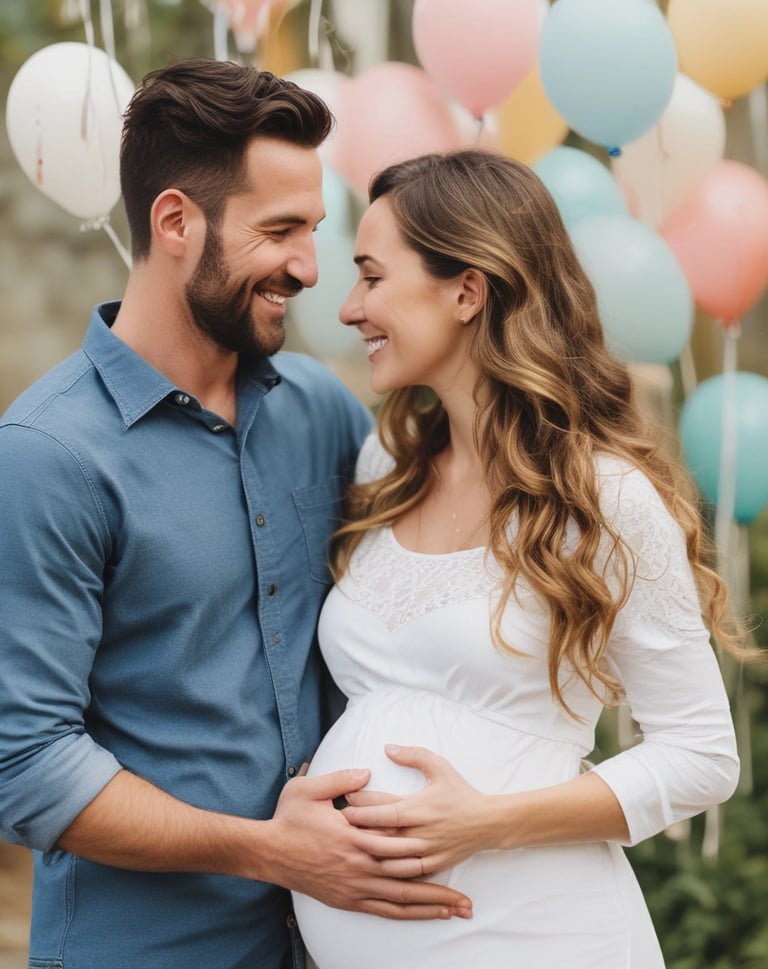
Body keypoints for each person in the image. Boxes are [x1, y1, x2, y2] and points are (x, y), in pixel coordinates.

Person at [0, 60, 473, 969]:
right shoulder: (45, 456)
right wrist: (270, 850)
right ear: (175, 222)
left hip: (338, 944)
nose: (308, 265)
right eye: (281, 229)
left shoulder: (321, 411)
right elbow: (26, 768)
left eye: (315, 229)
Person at [291, 148, 748, 969]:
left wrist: (487, 820)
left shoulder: (605, 500)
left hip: (544, 937)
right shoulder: (382, 472)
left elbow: (703, 755)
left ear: (467, 289)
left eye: (371, 276)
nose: (351, 306)